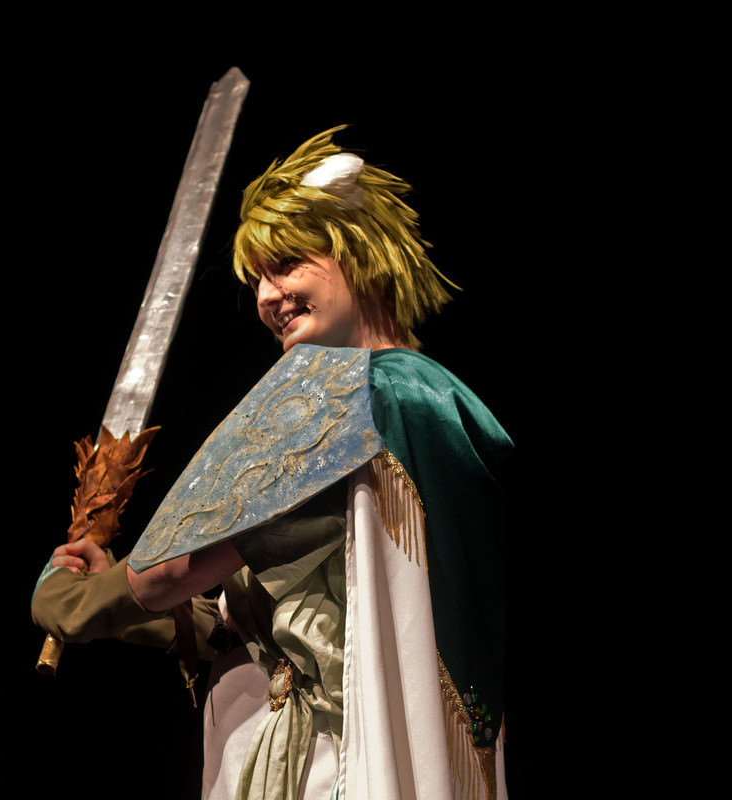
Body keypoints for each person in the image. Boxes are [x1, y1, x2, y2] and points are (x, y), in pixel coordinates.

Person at [32, 126, 514, 800]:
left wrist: (76, 601)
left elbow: (172, 571)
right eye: (258, 276)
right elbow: (313, 607)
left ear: (360, 254)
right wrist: (170, 618)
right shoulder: (437, 398)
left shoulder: (338, 392)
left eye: (286, 264)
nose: (265, 295)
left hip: (329, 766)